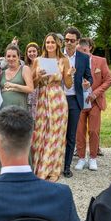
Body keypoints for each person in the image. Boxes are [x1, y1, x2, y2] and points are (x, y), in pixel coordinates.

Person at [31, 33, 73, 181]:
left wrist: (69, 74)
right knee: (41, 133)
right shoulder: (37, 60)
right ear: (44, 44)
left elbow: (68, 85)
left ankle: (53, 170)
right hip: (42, 97)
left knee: (56, 135)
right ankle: (39, 168)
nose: (50, 45)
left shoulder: (64, 60)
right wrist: (39, 77)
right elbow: (33, 85)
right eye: (47, 42)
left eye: (52, 43)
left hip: (58, 100)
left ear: (57, 45)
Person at [0, 44, 34, 175]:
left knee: (19, 137)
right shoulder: (2, 72)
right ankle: (0, 169)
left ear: (19, 57)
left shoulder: (24, 69)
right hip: (4, 109)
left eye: (14, 56)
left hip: (19, 109)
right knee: (3, 137)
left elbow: (30, 88)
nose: (11, 58)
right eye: (8, 56)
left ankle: (22, 169)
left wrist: (14, 86)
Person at [75, 38, 111, 171]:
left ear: (90, 48)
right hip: (79, 101)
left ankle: (93, 158)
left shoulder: (100, 61)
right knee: (79, 131)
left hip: (94, 101)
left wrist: (95, 93)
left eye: (84, 50)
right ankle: (80, 158)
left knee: (94, 131)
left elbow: (108, 80)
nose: (82, 54)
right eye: (79, 51)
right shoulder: (74, 62)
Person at [61, 27, 92, 178]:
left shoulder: (83, 58)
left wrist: (87, 83)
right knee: (57, 133)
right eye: (66, 40)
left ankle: (66, 166)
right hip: (58, 99)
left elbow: (89, 77)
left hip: (74, 99)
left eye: (72, 41)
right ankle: (53, 164)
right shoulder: (57, 56)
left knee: (71, 135)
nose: (68, 43)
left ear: (77, 42)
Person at [24, 42, 40, 118]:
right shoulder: (25, 66)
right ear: (27, 53)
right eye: (29, 52)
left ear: (37, 52)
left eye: (34, 51)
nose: (32, 53)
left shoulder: (42, 64)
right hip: (28, 96)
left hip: (39, 95)